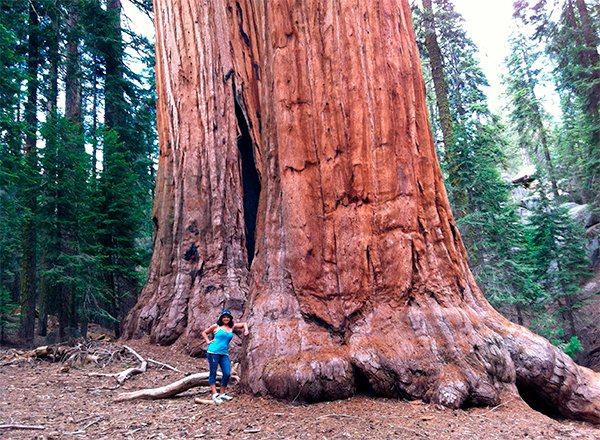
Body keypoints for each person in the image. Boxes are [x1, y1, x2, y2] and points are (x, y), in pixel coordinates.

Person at [201, 310, 249, 404]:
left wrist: (246, 330)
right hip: (213, 352)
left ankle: (222, 393)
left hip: (224, 353)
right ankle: (215, 394)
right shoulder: (216, 326)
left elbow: (244, 324)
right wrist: (207, 341)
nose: (226, 319)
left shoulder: (232, 326)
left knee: (227, 373)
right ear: (221, 318)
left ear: (230, 318)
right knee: (213, 373)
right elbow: (204, 332)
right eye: (224, 317)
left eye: (227, 317)